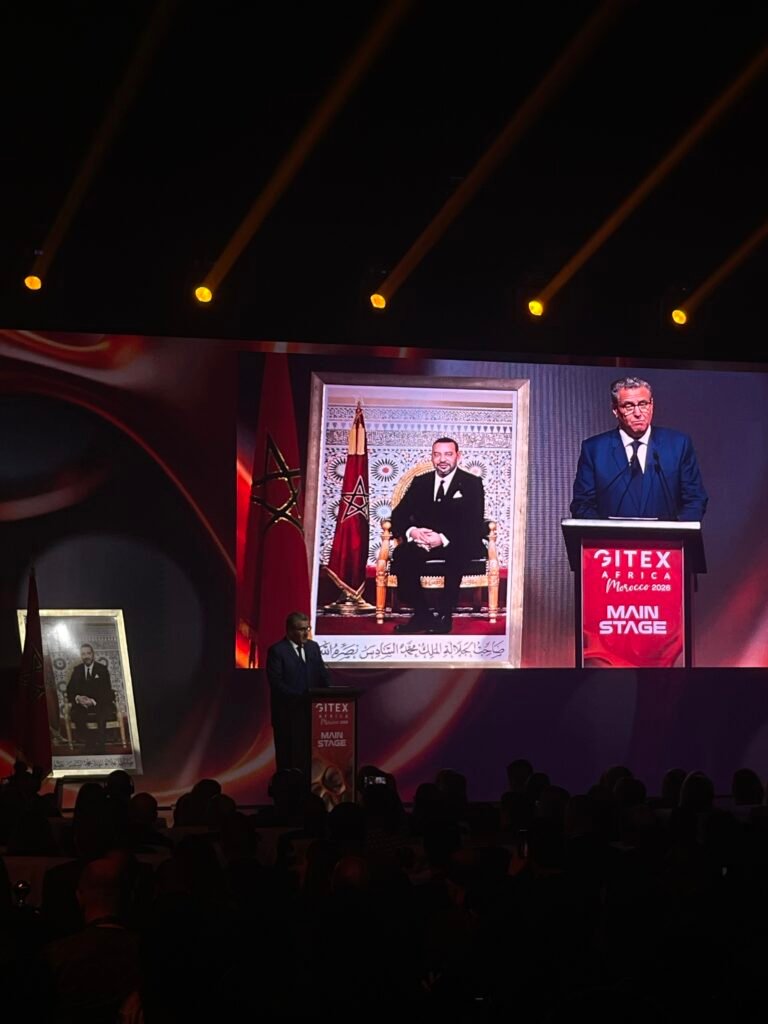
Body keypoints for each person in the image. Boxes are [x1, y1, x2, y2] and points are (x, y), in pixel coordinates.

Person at [570, 376, 708, 521]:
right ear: (615, 410)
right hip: (612, 536)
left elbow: (695, 500)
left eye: (643, 404)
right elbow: (582, 505)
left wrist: (675, 531)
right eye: (629, 406)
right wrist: (606, 532)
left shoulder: (678, 445)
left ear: (652, 405)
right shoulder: (594, 450)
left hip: (666, 536)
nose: (637, 413)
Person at [390, 437, 486, 634]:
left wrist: (442, 538)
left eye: (448, 454)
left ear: (458, 456)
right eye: (437, 454)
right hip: (424, 541)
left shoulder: (472, 483)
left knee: (456, 554)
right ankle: (422, 615)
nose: (442, 459)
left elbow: (473, 522)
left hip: (459, 540)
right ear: (432, 457)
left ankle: (444, 615)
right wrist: (413, 532)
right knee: (402, 554)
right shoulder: (420, 482)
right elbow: (398, 515)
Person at [266, 612, 331, 779]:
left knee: (309, 758)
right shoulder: (277, 651)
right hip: (288, 715)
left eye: (307, 629)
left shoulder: (313, 647)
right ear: (289, 630)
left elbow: (322, 674)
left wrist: (329, 692)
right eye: (301, 629)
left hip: (312, 714)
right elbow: (276, 683)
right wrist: (301, 696)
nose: (306, 633)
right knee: (288, 759)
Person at [66, 643, 115, 754]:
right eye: (83, 654)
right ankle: (90, 742)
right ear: (81, 656)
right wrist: (78, 698)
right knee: (76, 715)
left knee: (102, 713)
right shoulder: (77, 670)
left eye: (88, 653)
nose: (86, 656)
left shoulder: (102, 669)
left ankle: (101, 746)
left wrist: (92, 701)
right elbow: (70, 689)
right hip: (82, 703)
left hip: (98, 702)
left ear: (93, 654)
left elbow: (107, 691)